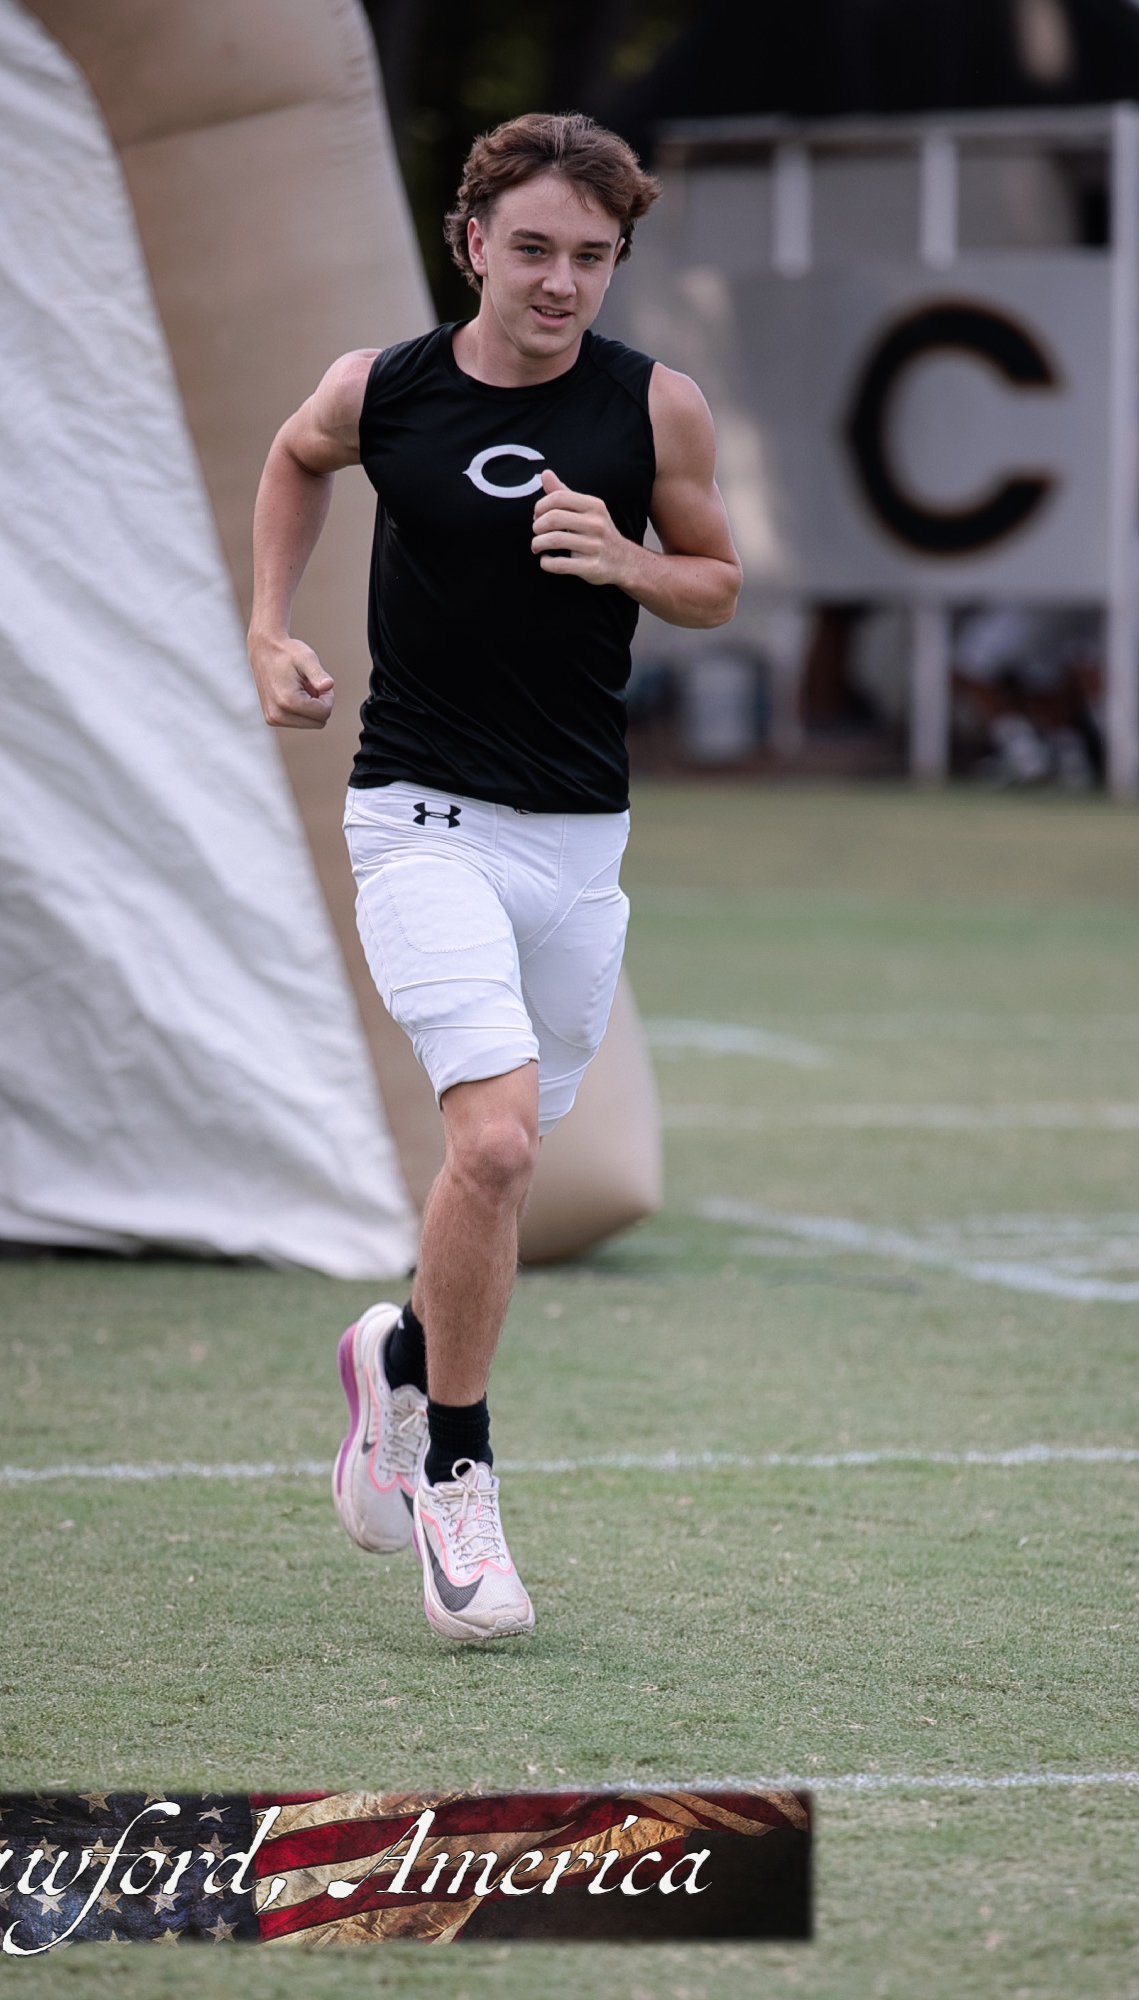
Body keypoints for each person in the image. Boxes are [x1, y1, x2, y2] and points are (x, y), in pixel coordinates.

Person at [249, 112, 741, 1643]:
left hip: (579, 846)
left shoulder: (654, 407)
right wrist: (267, 627)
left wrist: (629, 560)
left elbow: (716, 582)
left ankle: (397, 1356)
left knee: (495, 1166)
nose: (559, 281)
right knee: (503, 1147)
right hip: (416, 820)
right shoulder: (382, 388)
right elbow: (296, 454)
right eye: (531, 247)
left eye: (591, 256)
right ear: (471, 243)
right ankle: (455, 1483)